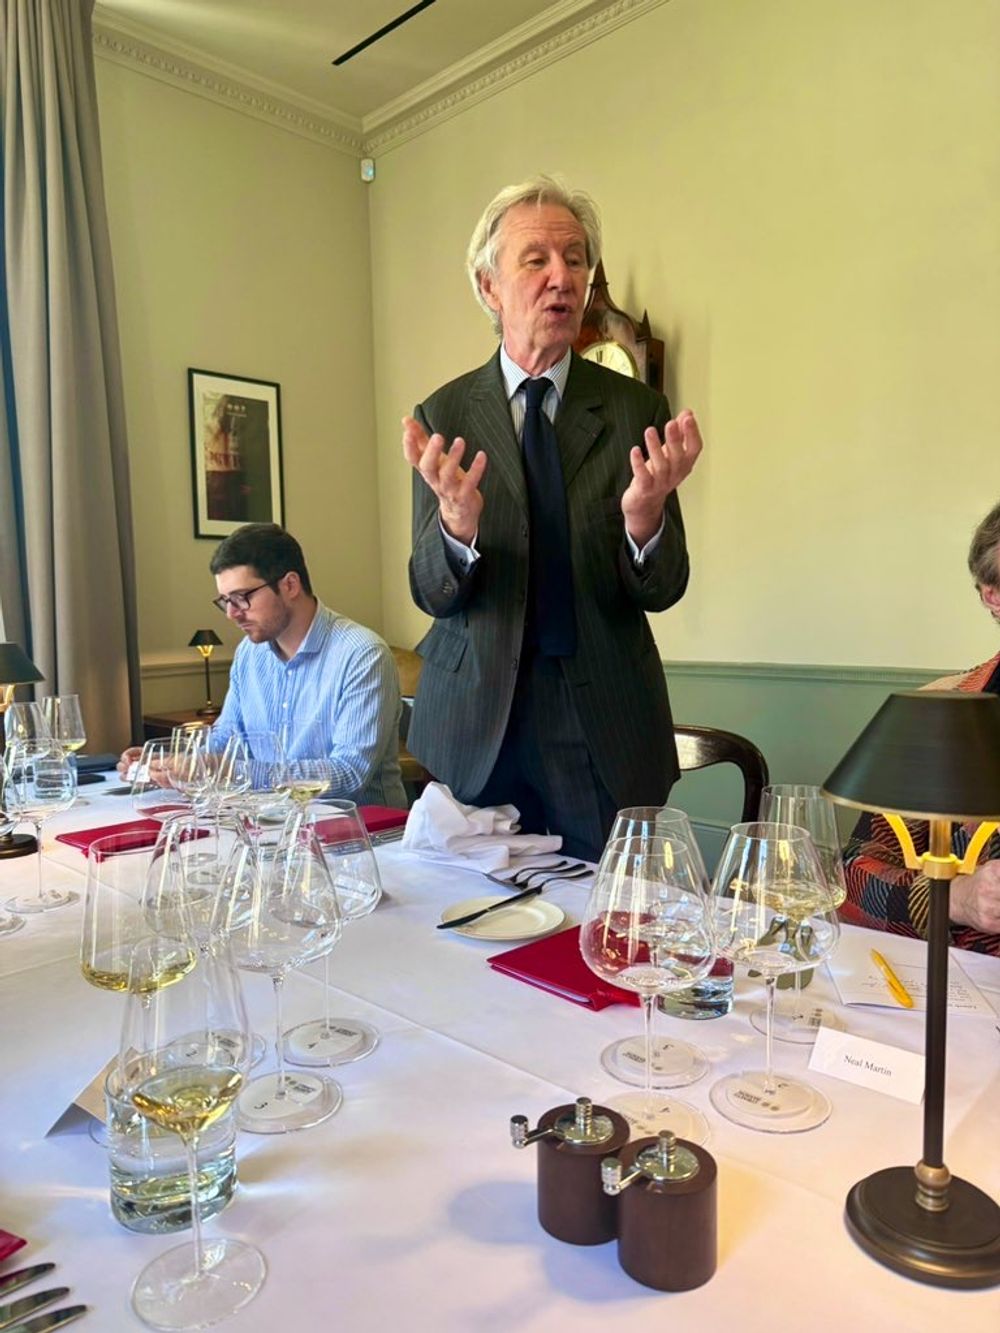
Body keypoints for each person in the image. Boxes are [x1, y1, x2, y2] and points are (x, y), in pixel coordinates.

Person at [402, 177, 702, 860]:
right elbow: (430, 591)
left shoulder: (635, 411)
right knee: (465, 916)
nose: (562, 277)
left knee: (603, 913)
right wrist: (457, 528)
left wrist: (644, 521)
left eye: (575, 259)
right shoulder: (444, 415)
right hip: (475, 719)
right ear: (489, 287)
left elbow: (664, 587)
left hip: (599, 719)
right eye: (536, 260)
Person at [120, 524, 406, 809]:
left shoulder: (362, 654)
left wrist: (227, 771)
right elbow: (226, 739)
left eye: (242, 597)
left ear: (290, 585)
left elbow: (350, 774)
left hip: (361, 828)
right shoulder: (249, 653)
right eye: (225, 601)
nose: (232, 614)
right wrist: (172, 763)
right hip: (270, 821)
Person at [842, 500, 1000, 955]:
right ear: (992, 594)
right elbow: (854, 875)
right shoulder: (938, 711)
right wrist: (955, 899)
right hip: (953, 982)